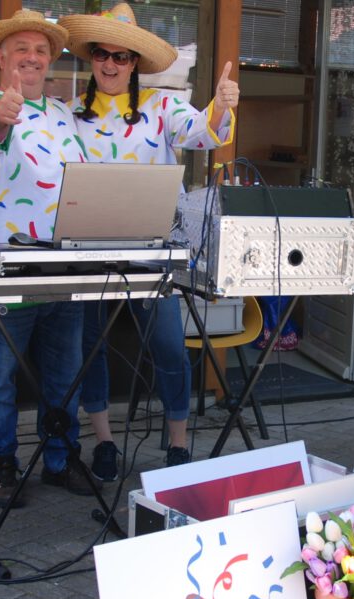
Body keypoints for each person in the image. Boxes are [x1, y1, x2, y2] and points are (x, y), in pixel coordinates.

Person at [57, 3, 239, 479]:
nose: (112, 64)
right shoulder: (69, 114)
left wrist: (221, 104)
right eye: (103, 54)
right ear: (91, 58)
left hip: (153, 250)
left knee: (168, 346)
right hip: (88, 251)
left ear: (136, 62)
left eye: (122, 56)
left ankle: (178, 446)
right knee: (89, 348)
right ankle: (104, 442)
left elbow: (204, 134)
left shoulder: (162, 107)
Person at [0, 9, 98, 507]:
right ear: (0, 56)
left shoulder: (64, 113)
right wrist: (3, 115)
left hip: (64, 269)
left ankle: (60, 460)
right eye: (21, 49)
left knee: (65, 376)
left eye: (40, 50)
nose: (32, 58)